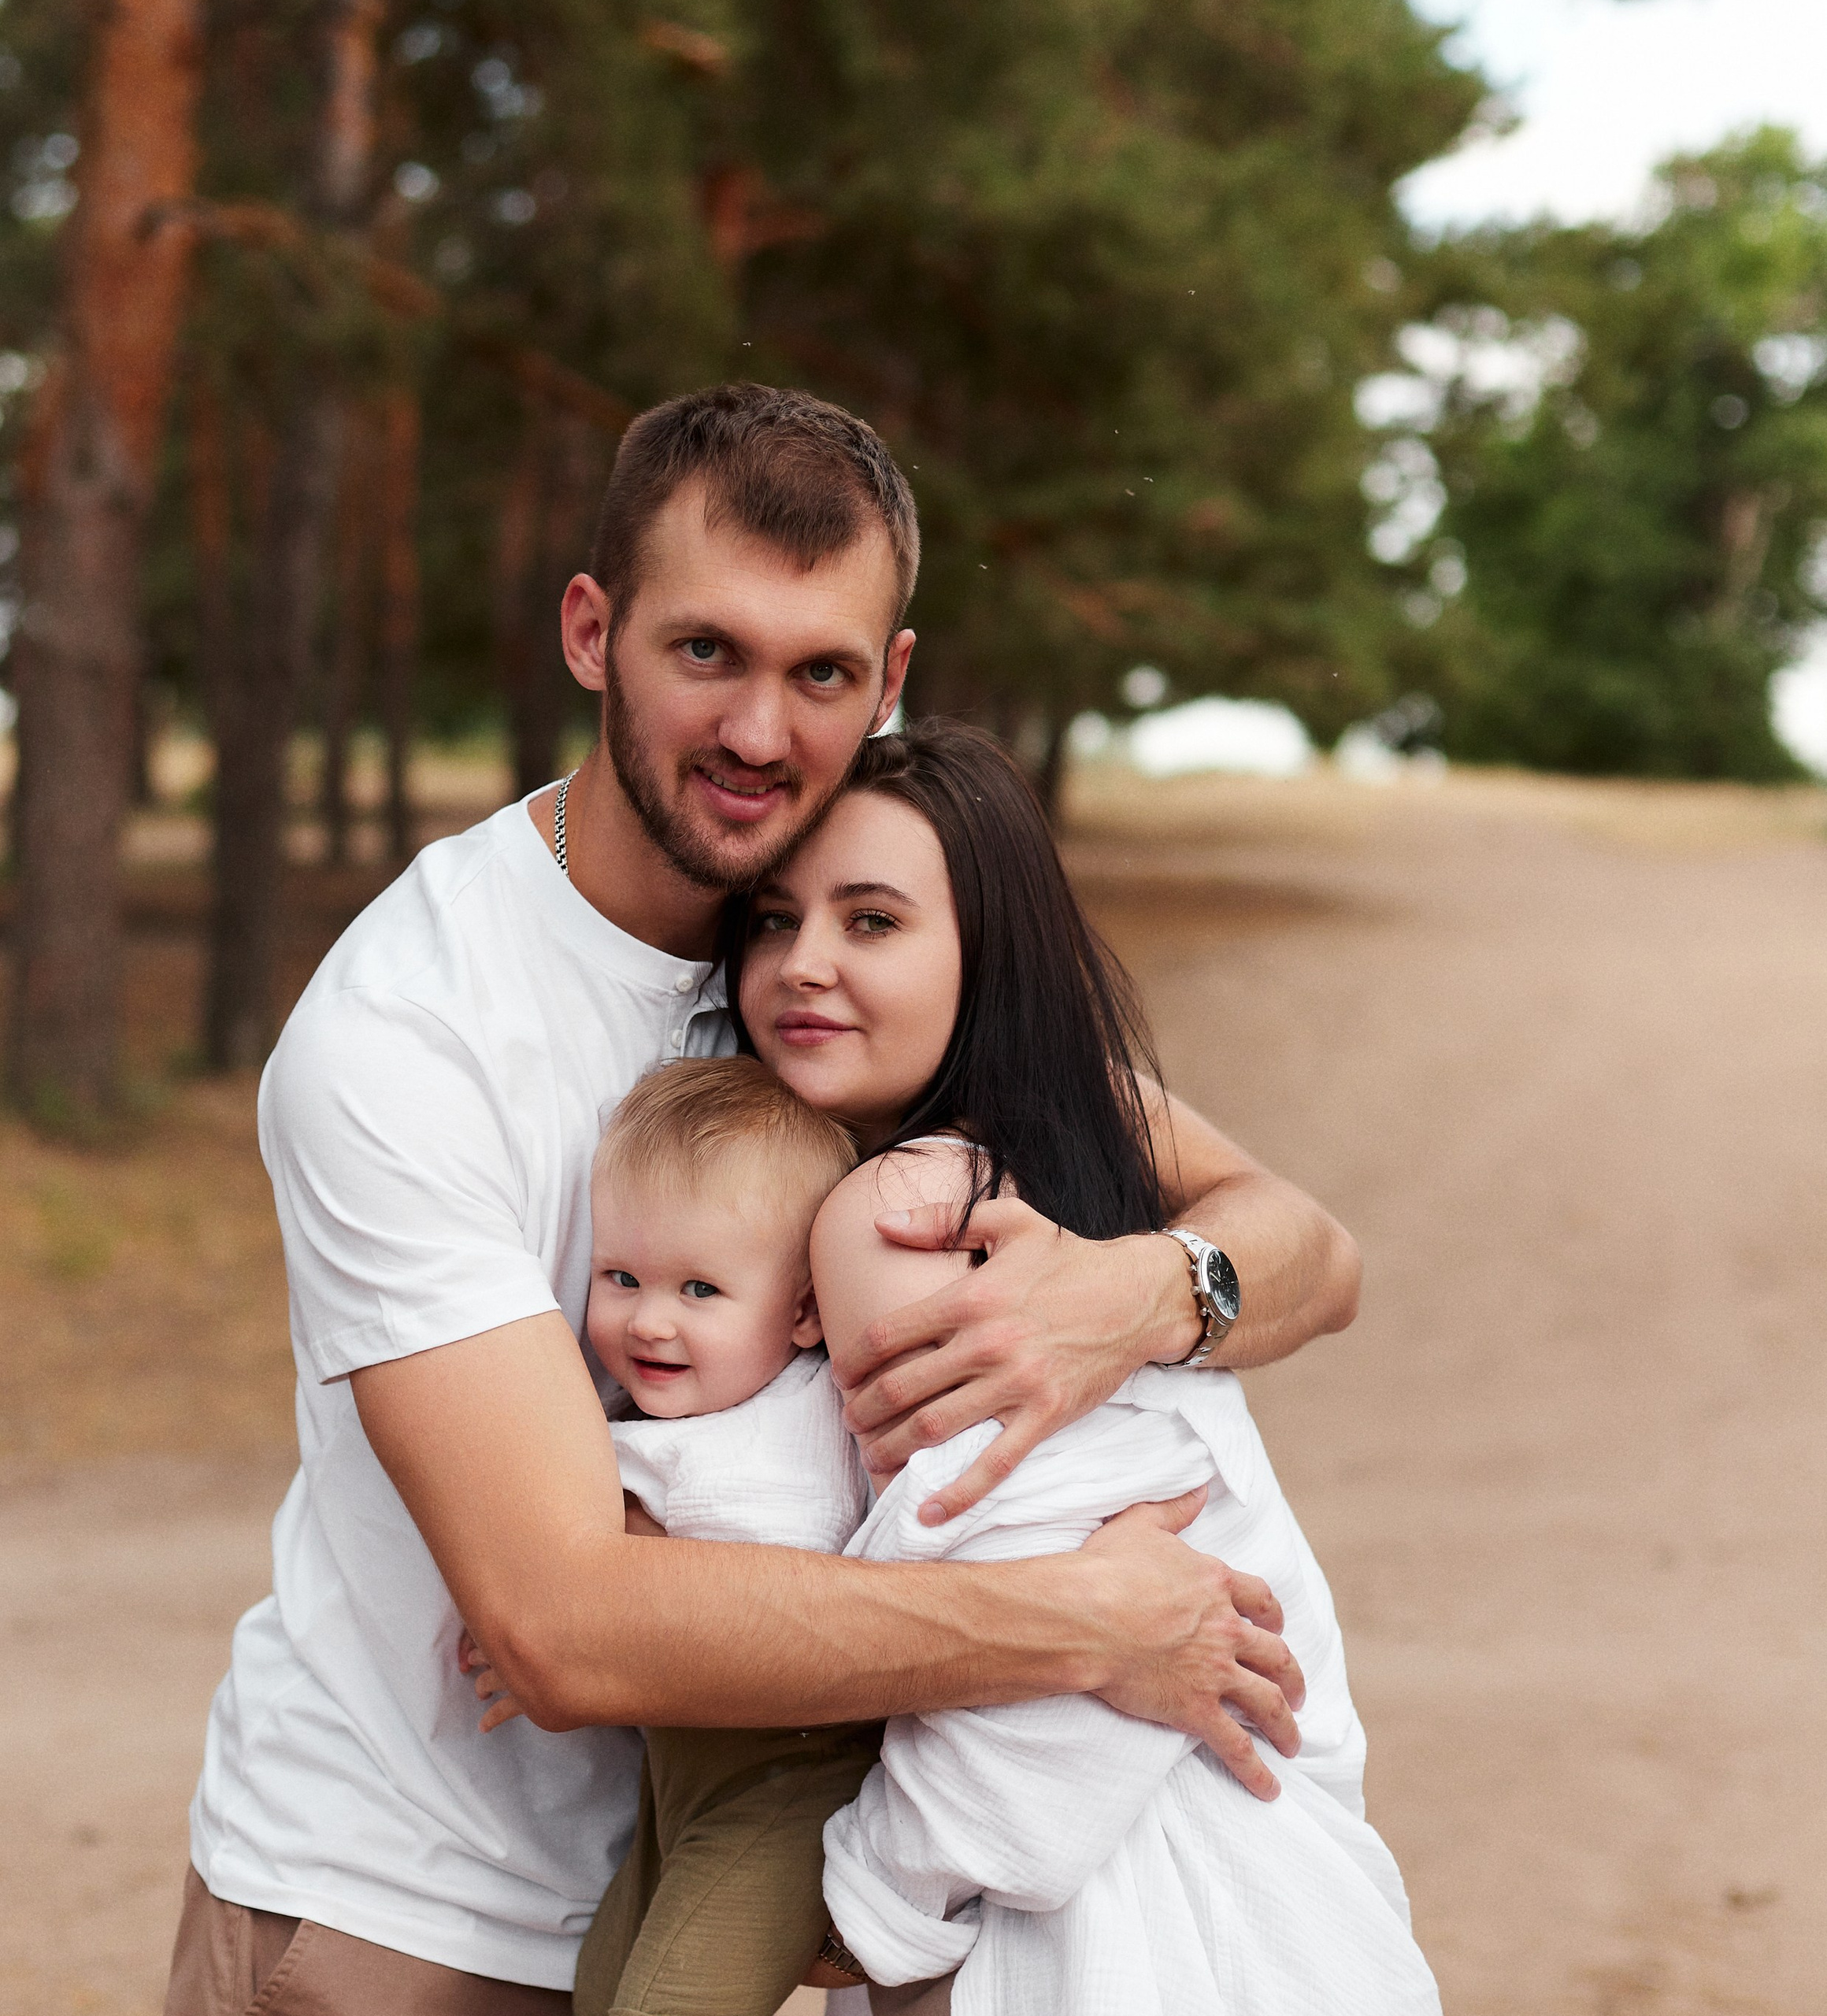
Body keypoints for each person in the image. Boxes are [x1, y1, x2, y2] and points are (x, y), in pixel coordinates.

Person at [165, 382, 1360, 2015]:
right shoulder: (409, 1030)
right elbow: (562, 1629)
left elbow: (1305, 1245)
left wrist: (1145, 1291)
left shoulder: (823, 975)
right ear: (592, 632)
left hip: (712, 1881)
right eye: (706, 651)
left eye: (821, 674)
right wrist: (1082, 1626)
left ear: (892, 680)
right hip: (404, 1910)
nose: (756, 732)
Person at [717, 719, 1436, 2014]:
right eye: (774, 919)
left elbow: (1051, 1671)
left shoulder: (915, 1210)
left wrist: (869, 1909)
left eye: (872, 921)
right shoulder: (1042, 1139)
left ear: (984, 956)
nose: (804, 961)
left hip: (1110, 1927)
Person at [569, 1056, 880, 2016]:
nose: (649, 1320)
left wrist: (605, 1594)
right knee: (599, 1990)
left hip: (786, 1785)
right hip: (678, 1781)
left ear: (803, 1310)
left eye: (699, 1289)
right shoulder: (656, 1421)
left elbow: (773, 1598)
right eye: (621, 1277)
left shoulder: (791, 1433)